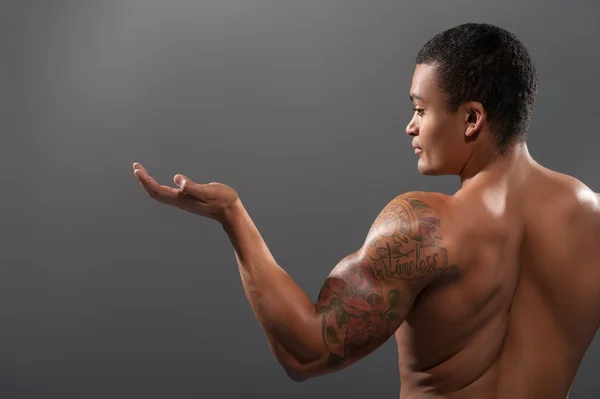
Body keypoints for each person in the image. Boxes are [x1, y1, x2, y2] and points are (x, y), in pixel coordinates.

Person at [132, 23, 600, 399]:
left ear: (472, 118)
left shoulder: (425, 225)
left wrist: (232, 215)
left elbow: (306, 354)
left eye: (421, 108)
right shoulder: (592, 219)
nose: (410, 127)